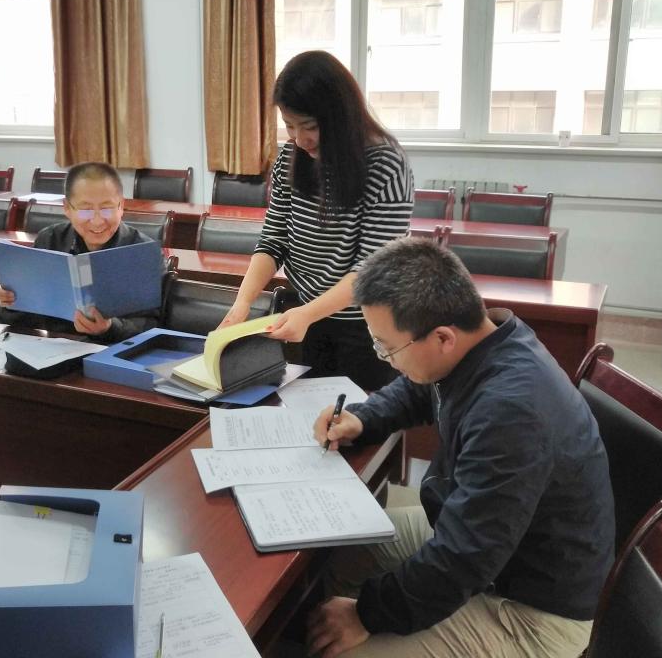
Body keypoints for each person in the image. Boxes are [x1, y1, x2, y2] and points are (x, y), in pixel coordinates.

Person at [305, 237, 614, 658]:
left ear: (443, 338)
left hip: (531, 611)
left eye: (387, 347)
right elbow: (422, 388)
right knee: (344, 551)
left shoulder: (511, 411)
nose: (385, 359)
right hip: (486, 539)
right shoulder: (483, 343)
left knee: (343, 651)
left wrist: (367, 616)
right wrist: (364, 417)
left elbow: (464, 559)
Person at [219, 50, 413, 389]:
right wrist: (242, 304)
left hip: (369, 324)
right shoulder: (290, 159)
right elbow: (273, 240)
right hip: (309, 314)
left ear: (342, 117)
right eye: (289, 126)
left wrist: (308, 314)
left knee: (362, 414)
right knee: (311, 410)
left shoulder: (386, 165)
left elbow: (371, 270)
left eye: (310, 126)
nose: (300, 139)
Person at [0, 161, 159, 342]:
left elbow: (153, 325)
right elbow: (27, 317)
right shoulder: (50, 240)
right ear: (67, 208)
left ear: (121, 206)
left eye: (107, 209)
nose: (97, 221)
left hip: (114, 351)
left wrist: (110, 327)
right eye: (85, 210)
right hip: (54, 347)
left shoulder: (143, 252)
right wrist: (11, 301)